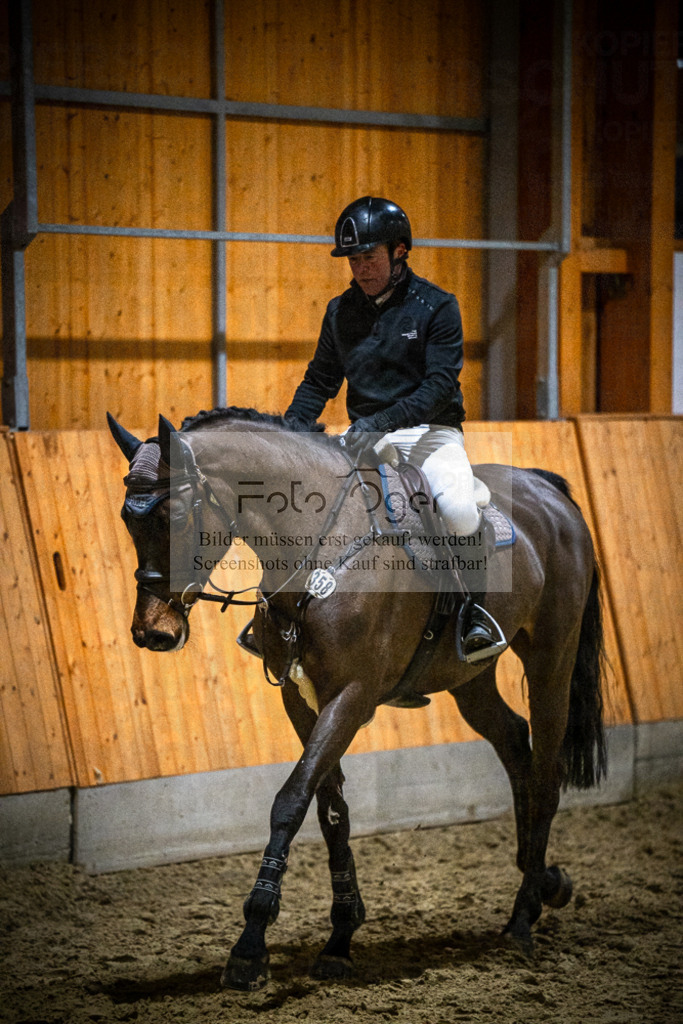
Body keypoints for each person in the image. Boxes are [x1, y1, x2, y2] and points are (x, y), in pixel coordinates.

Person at [285, 196, 505, 662]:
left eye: (369, 257)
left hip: (431, 432)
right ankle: (284, 617)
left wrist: (377, 423)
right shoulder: (340, 311)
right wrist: (289, 431)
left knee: (460, 509)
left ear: (399, 251)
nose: (360, 269)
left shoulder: (437, 306)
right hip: (367, 435)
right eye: (353, 260)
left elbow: (441, 386)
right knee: (313, 507)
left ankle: (473, 616)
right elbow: (319, 381)